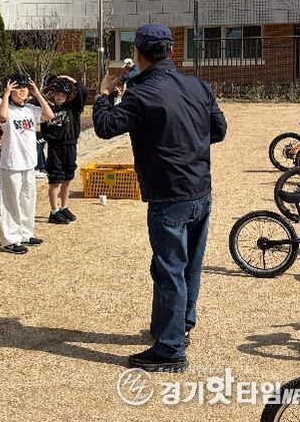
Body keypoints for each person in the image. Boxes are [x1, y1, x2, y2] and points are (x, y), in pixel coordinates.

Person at [92, 24, 227, 373]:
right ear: (170, 50)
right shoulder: (198, 85)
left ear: (138, 54)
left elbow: (105, 126)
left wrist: (104, 93)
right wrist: (187, 141)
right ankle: (179, 327)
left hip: (168, 194)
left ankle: (170, 350)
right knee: (189, 266)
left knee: (169, 270)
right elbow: (219, 130)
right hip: (200, 188)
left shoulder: (141, 94)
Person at [0, 73, 54, 254]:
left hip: (29, 163)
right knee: (10, 202)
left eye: (24, 88)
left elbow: (49, 115)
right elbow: (2, 117)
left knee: (28, 200)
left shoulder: (30, 109)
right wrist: (6, 94)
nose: (22, 91)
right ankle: (10, 239)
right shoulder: (5, 108)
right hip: (11, 163)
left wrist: (37, 93)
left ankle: (25, 234)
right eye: (17, 88)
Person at [40, 75, 87, 225]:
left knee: (67, 178)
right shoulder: (46, 108)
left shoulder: (72, 107)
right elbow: (35, 100)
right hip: (55, 147)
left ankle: (64, 206)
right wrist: (46, 93)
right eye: (58, 95)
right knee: (55, 179)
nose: (60, 98)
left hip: (70, 145)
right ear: (53, 94)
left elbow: (82, 91)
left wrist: (70, 79)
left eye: (63, 95)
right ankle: (54, 210)